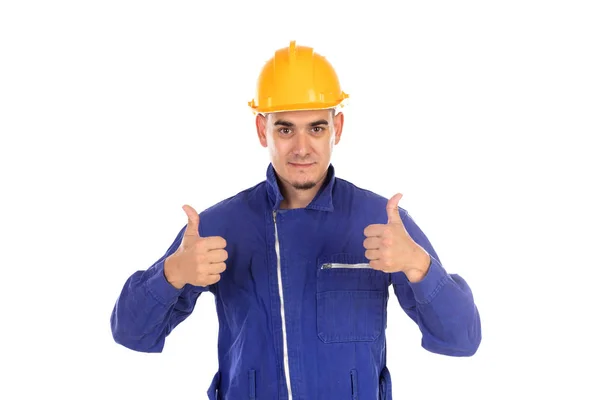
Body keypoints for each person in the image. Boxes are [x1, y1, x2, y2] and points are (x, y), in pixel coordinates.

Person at [110, 40, 481, 400]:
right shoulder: (218, 228)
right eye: (285, 129)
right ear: (262, 130)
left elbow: (462, 339)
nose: (302, 148)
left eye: (316, 128)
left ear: (337, 128)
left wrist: (418, 265)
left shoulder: (381, 223)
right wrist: (172, 274)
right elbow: (131, 333)